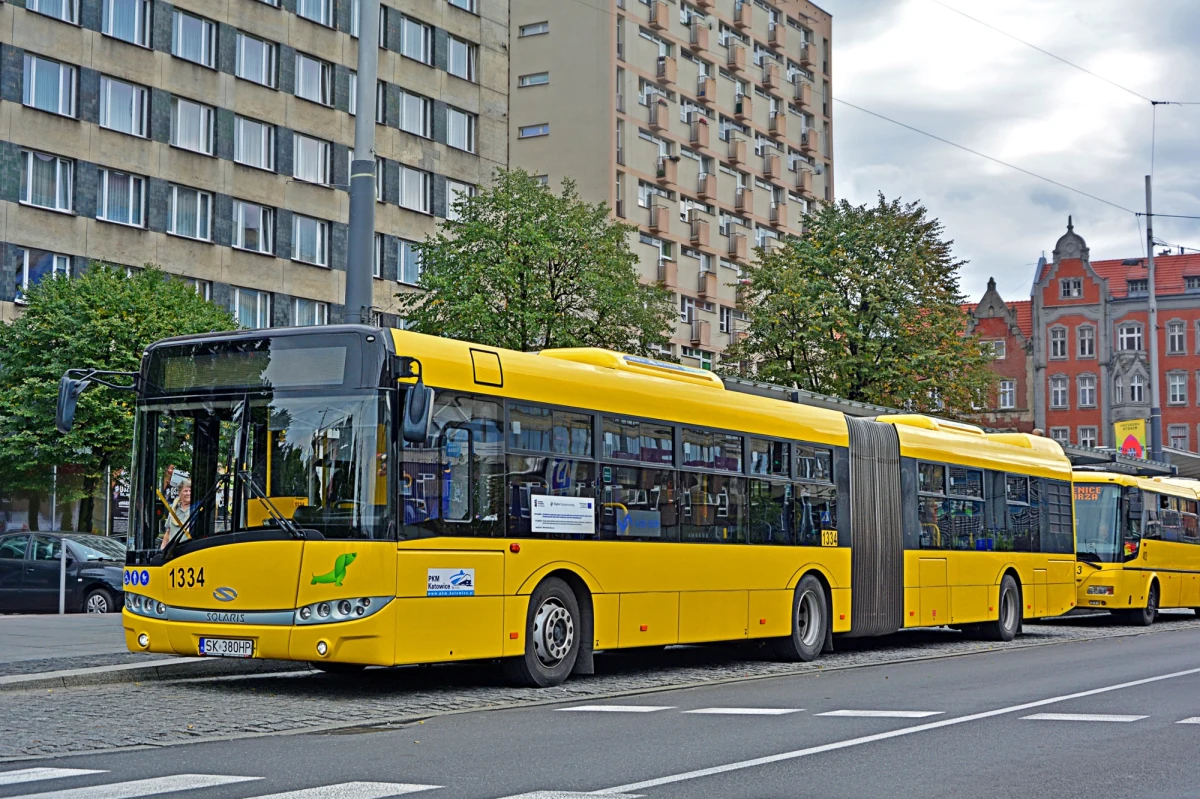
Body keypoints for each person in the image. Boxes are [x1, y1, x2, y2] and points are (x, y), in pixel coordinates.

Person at [161, 480, 192, 549]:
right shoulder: (173, 508)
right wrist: (162, 550)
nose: (188, 493)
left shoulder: (195, 509)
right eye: (185, 491)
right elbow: (168, 532)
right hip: (174, 552)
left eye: (190, 491)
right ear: (179, 493)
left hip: (189, 551)